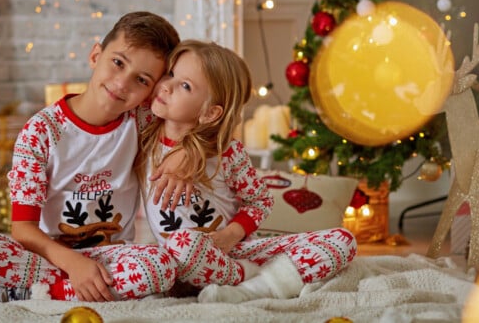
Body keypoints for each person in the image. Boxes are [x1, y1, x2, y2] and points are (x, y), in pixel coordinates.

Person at [0, 11, 187, 303]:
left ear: (152, 91)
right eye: (118, 63)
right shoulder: (40, 132)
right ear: (95, 55)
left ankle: (27, 293)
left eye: (142, 80)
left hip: (109, 255)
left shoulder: (143, 120)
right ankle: (78, 288)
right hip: (48, 254)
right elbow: (23, 229)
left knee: (159, 267)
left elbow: (203, 124)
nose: (123, 83)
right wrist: (73, 264)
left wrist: (184, 152)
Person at [135, 40, 358, 302]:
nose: (167, 86)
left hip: (232, 253)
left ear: (210, 113)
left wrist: (231, 235)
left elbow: (260, 201)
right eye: (171, 74)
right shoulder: (144, 132)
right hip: (174, 261)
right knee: (179, 246)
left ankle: (250, 288)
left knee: (343, 240)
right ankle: (242, 280)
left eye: (185, 86)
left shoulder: (226, 153)